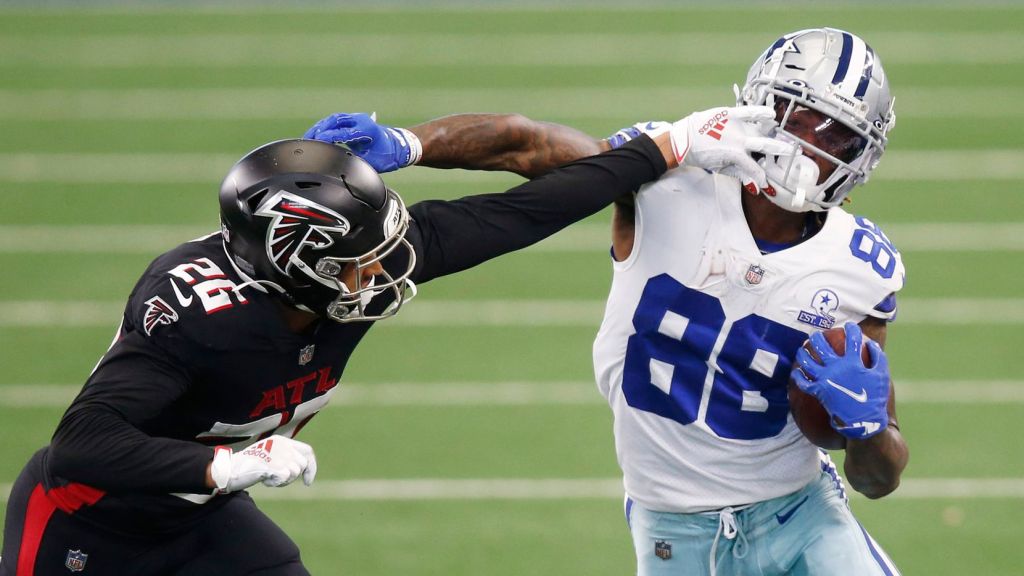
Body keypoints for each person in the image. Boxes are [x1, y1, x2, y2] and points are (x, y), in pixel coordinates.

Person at [0, 103, 795, 574]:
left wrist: (663, 150)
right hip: (88, 524)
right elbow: (80, 444)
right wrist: (223, 464)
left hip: (195, 517)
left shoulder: (338, 280)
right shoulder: (194, 312)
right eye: (358, 264)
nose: (382, 273)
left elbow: (522, 213)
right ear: (295, 264)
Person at [303, 27, 908, 576]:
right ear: (761, 105)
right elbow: (525, 145)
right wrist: (408, 142)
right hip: (673, 534)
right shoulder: (667, 174)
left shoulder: (859, 268)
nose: (815, 149)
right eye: (802, 118)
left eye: (840, 136)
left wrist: (868, 430)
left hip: (801, 520)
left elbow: (879, 477)